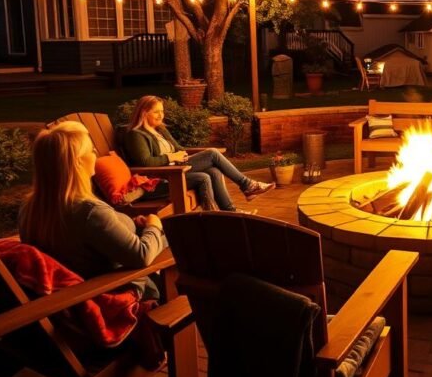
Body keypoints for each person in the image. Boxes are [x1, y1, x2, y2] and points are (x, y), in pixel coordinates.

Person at [19, 121, 167, 300]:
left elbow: (85, 239)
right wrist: (154, 226)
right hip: (115, 295)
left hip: (71, 299)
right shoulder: (88, 211)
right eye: (90, 150)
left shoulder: (31, 208)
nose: (95, 153)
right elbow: (142, 255)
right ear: (77, 162)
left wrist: (128, 226)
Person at [122, 96, 273, 213]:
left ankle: (230, 212)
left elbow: (179, 148)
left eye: (162, 111)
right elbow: (145, 162)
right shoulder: (136, 134)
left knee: (212, 171)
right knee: (212, 155)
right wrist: (172, 157)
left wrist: (187, 154)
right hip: (161, 180)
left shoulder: (160, 130)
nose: (161, 115)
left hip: (176, 169)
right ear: (144, 112)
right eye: (156, 111)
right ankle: (248, 186)